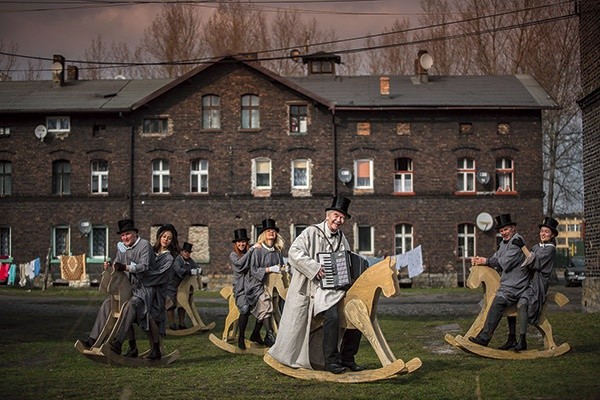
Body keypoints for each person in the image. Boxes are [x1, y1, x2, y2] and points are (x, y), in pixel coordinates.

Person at [268, 196, 364, 374]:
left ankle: (348, 358)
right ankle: (331, 361)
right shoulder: (311, 232)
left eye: (342, 218)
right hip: (315, 290)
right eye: (336, 215)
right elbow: (293, 252)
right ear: (328, 215)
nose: (339, 220)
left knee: (357, 313)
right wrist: (314, 267)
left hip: (336, 290)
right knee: (333, 317)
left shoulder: (342, 238)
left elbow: (347, 261)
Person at [108, 222, 178, 360]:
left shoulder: (169, 258)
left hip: (157, 292)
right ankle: (132, 346)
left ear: (172, 241)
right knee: (127, 310)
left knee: (150, 316)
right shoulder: (151, 251)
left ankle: (155, 349)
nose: (166, 239)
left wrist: (135, 271)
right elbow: (137, 263)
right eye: (164, 236)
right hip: (143, 289)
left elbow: (156, 275)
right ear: (159, 237)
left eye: (169, 238)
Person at [468, 214, 529, 349]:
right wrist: (481, 261)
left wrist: (486, 261)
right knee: (499, 301)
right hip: (508, 284)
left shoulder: (516, 242)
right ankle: (512, 338)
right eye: (501, 231)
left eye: (506, 230)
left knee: (496, 303)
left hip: (516, 285)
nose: (503, 233)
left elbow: (504, 262)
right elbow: (495, 258)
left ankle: (484, 338)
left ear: (513, 228)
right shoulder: (503, 243)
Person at [513, 216, 559, 351]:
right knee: (513, 301)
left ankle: (522, 341)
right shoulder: (536, 246)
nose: (543, 234)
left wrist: (522, 246)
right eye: (541, 231)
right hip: (528, 282)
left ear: (552, 235)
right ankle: (516, 339)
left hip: (537, 285)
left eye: (546, 232)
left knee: (523, 305)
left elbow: (534, 262)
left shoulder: (550, 250)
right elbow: (525, 260)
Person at [244, 219, 285, 348]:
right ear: (263, 234)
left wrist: (284, 269)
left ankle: (256, 333)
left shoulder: (277, 251)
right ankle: (269, 334)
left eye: (273, 231)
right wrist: (269, 269)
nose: (271, 232)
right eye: (268, 231)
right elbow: (254, 270)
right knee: (265, 302)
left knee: (278, 305)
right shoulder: (258, 251)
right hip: (257, 284)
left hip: (273, 285)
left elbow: (281, 266)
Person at [230, 228, 262, 349]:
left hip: (253, 285)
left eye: (243, 242)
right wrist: (252, 250)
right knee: (244, 309)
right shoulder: (233, 255)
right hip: (241, 288)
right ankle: (241, 336)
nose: (241, 244)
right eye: (239, 242)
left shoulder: (251, 251)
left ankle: (255, 333)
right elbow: (240, 265)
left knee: (264, 306)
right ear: (236, 244)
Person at [166, 241, 202, 330]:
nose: (187, 254)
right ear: (182, 252)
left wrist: (199, 270)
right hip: (172, 285)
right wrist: (189, 271)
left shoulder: (190, 260)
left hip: (182, 285)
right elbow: (178, 270)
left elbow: (196, 266)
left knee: (182, 303)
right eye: (185, 252)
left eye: (189, 252)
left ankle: (181, 323)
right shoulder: (178, 260)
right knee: (171, 303)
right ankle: (172, 323)